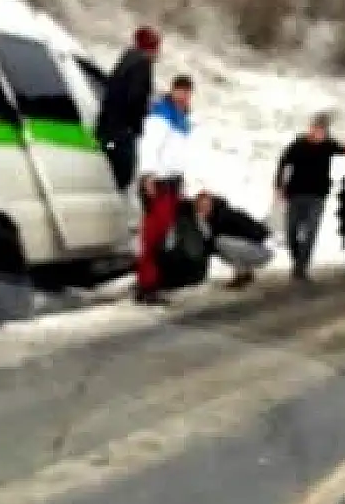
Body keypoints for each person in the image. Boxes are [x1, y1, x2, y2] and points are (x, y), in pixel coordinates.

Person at [134, 74, 195, 305]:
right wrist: (148, 175)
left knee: (162, 235)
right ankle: (146, 284)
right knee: (153, 235)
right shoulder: (161, 115)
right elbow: (149, 146)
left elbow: (179, 154)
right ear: (173, 91)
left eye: (187, 92)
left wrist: (182, 180)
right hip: (157, 182)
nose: (184, 96)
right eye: (180, 91)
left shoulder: (182, 118)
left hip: (172, 182)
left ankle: (152, 281)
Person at [275, 112, 345, 282]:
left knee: (310, 232)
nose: (318, 134)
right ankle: (297, 259)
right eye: (315, 129)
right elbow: (283, 162)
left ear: (325, 132)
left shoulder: (328, 146)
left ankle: (301, 267)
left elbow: (344, 150)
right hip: (295, 194)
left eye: (321, 131)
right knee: (291, 232)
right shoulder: (298, 145)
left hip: (317, 196)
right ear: (310, 129)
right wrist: (279, 186)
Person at [97, 26, 160, 191]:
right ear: (152, 47)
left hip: (109, 127)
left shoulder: (126, 59)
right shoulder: (143, 63)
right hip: (123, 131)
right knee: (123, 180)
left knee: (107, 173)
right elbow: (135, 97)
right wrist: (141, 116)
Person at [192, 190, 274, 290]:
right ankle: (247, 272)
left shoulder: (222, 215)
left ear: (212, 203)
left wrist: (202, 223)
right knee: (221, 246)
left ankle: (241, 274)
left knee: (221, 242)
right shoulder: (216, 216)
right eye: (200, 207)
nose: (203, 209)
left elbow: (211, 241)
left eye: (206, 205)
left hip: (261, 251)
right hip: (256, 249)